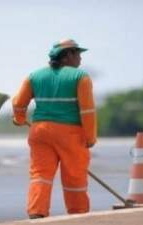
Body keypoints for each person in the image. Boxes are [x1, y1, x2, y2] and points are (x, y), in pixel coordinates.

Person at [12, 39, 97, 219]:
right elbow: (87, 111)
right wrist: (90, 137)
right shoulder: (80, 77)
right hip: (70, 134)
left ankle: (36, 212)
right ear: (67, 55)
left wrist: (19, 118)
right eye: (78, 54)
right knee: (74, 176)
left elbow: (18, 103)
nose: (80, 59)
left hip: (40, 132)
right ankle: (78, 213)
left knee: (40, 175)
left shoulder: (34, 76)